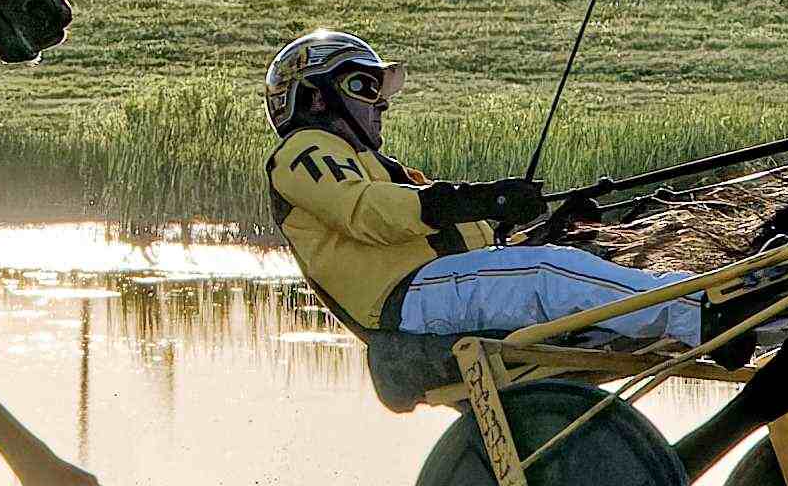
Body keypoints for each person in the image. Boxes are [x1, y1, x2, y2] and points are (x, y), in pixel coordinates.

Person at [260, 29, 744, 348]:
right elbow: (367, 213)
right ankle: (704, 314)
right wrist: (483, 198)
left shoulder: (371, 163)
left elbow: (447, 227)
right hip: (406, 303)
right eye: (364, 89)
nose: (381, 104)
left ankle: (707, 299)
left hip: (433, 290)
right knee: (547, 274)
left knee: (558, 259)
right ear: (316, 97)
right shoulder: (303, 151)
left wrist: (542, 227)